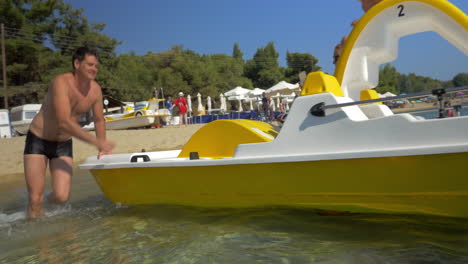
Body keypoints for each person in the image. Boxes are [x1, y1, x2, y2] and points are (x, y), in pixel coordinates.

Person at [24, 46, 115, 219]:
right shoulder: (61, 82)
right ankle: (38, 238)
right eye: (90, 64)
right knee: (35, 199)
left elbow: (98, 119)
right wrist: (95, 141)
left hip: (62, 144)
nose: (94, 69)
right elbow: (64, 121)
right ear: (76, 63)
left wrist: (102, 147)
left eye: (96, 66)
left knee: (61, 197)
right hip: (38, 140)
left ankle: (44, 211)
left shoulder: (95, 90)